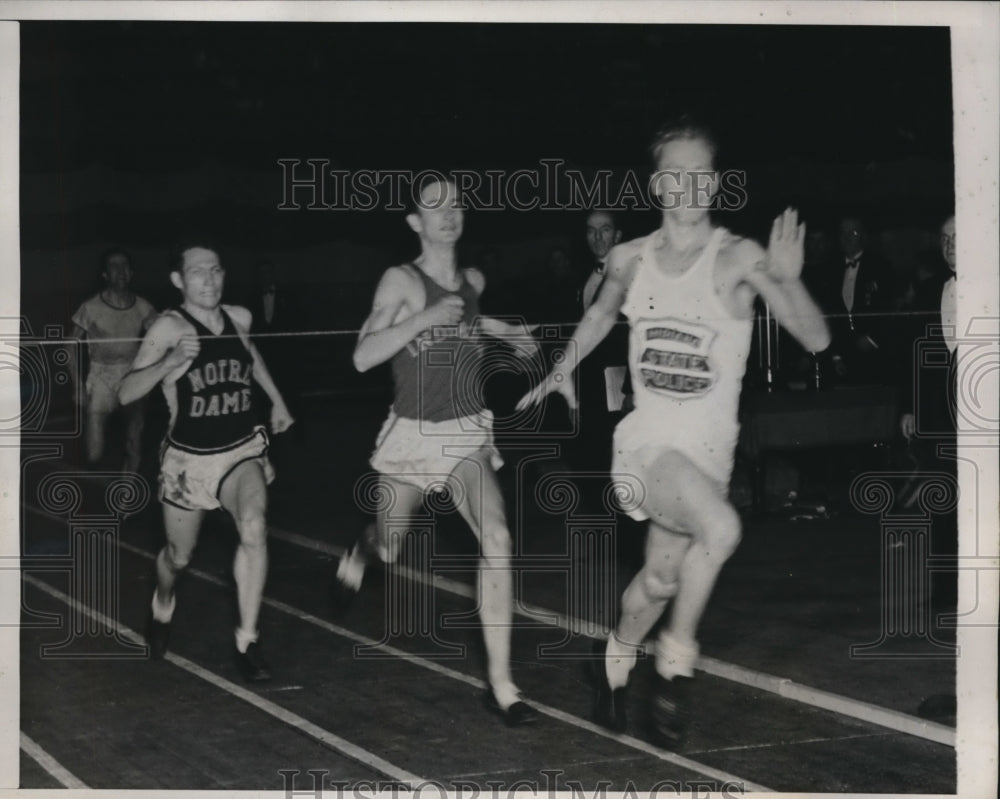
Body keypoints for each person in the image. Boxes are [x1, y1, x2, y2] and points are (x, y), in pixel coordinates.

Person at [519, 117, 830, 748]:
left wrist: (790, 277)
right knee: (721, 527)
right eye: (674, 174)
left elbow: (817, 338)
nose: (686, 185)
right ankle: (674, 665)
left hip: (706, 458)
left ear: (714, 184)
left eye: (699, 174)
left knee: (661, 581)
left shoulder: (741, 257)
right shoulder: (629, 258)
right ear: (657, 185)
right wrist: (560, 369)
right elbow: (601, 313)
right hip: (645, 449)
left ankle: (611, 663)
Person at [333, 175, 540, 726]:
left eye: (456, 204)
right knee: (391, 548)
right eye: (434, 207)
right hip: (410, 434)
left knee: (497, 537)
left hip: (463, 433)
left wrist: (503, 332)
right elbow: (361, 357)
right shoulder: (399, 280)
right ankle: (363, 548)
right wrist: (422, 317)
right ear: (415, 223)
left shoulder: (474, 278)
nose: (449, 214)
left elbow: (465, 319)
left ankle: (500, 684)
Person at [118, 244, 294, 681]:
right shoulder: (168, 327)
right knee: (179, 556)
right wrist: (171, 361)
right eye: (198, 273)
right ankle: (162, 602)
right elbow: (126, 392)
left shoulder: (240, 317)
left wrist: (276, 401)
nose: (210, 279)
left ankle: (247, 640)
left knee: (254, 527)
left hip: (240, 449)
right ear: (179, 281)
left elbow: (250, 357)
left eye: (216, 270)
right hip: (189, 460)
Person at [69, 249, 158, 472]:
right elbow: (69, 346)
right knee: (94, 453)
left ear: (131, 272)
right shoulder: (90, 308)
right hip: (101, 377)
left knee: (134, 440)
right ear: (105, 275)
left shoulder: (143, 307)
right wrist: (78, 386)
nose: (120, 271)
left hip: (132, 375)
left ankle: (126, 496)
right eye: (114, 267)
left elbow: (161, 339)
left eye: (125, 266)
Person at [824, 215, 891, 385]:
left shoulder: (881, 266)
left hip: (875, 353)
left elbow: (891, 308)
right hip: (843, 355)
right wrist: (836, 354)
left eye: (852, 233)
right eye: (842, 233)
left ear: (864, 236)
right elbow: (829, 313)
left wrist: (872, 339)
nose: (847, 238)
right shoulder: (830, 269)